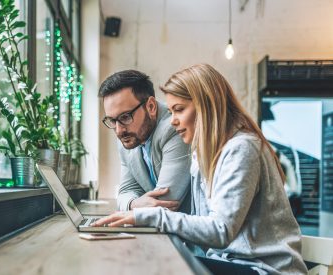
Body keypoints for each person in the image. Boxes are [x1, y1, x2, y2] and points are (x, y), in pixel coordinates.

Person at [94, 64, 308, 274]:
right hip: (233, 262)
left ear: (207, 106)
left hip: (264, 269)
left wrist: (146, 215)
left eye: (179, 110)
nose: (173, 121)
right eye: (170, 111)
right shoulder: (203, 155)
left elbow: (220, 231)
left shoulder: (242, 148)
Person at [99, 70, 191, 212]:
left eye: (125, 117)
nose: (118, 131)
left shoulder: (175, 128)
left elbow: (165, 203)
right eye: (112, 120)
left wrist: (132, 204)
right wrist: (133, 204)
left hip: (186, 230)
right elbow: (125, 192)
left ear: (151, 107)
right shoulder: (129, 136)